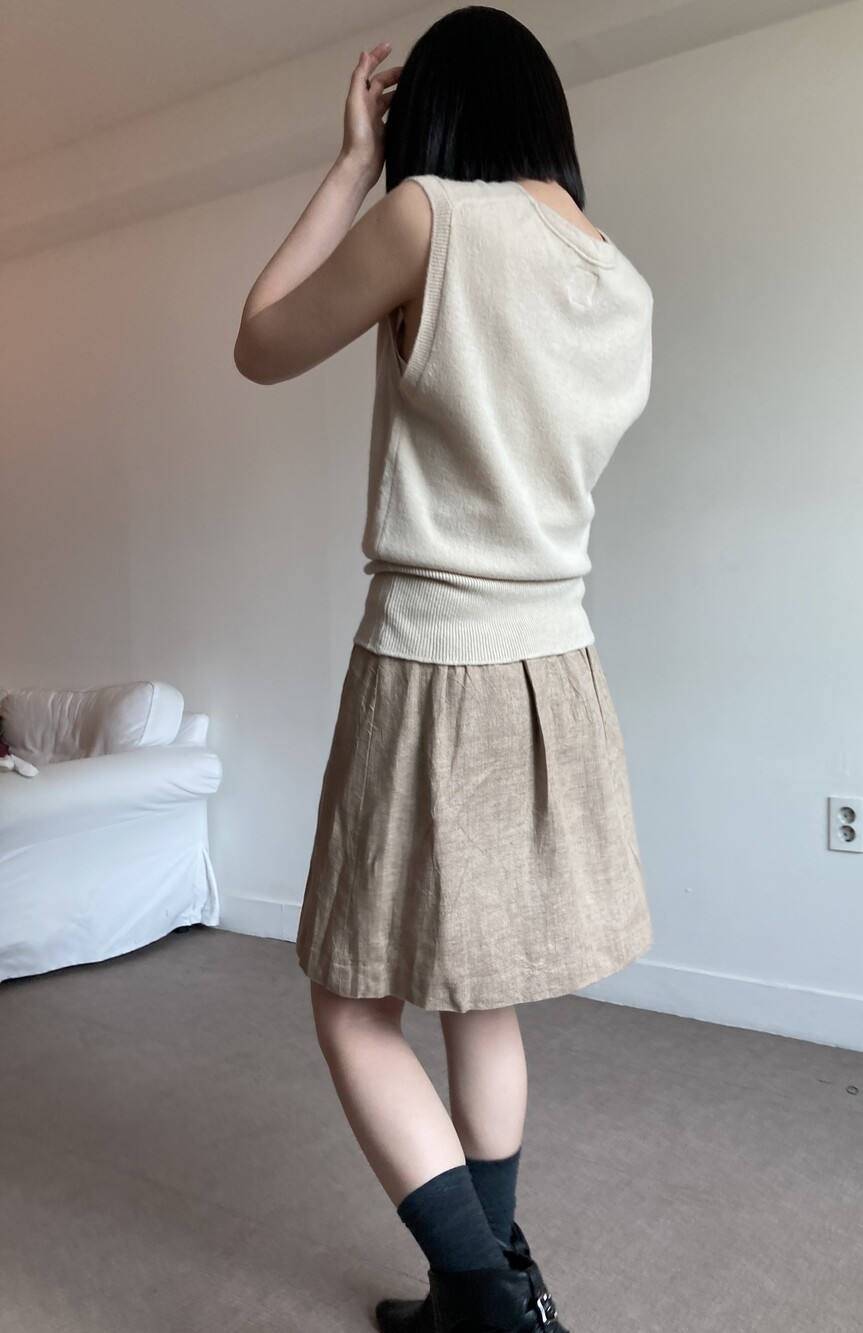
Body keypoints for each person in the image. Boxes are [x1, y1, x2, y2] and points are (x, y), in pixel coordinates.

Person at [234, 8, 655, 1331]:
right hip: (558, 667)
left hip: (431, 661)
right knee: (482, 997)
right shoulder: (621, 279)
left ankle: (483, 1301)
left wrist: (355, 165)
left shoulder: (429, 217)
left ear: (437, 116)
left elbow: (260, 339)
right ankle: (490, 1278)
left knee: (353, 1003)